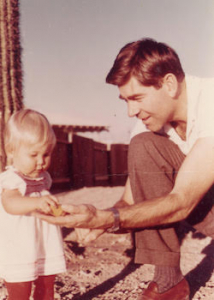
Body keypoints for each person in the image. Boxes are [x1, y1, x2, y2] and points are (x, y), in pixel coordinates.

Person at [36, 38, 214, 300]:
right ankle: (169, 282)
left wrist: (107, 218)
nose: (131, 111)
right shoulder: (148, 125)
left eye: (137, 98)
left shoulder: (210, 102)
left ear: (169, 84)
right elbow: (130, 201)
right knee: (143, 145)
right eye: (125, 100)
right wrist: (99, 219)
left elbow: (182, 202)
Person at [0, 109, 66, 300]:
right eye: (33, 155)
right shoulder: (11, 179)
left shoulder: (44, 177)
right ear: (11, 151)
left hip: (44, 244)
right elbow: (10, 203)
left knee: (47, 286)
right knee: (20, 289)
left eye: (46, 154)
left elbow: (45, 202)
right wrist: (36, 202)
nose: (40, 162)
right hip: (20, 247)